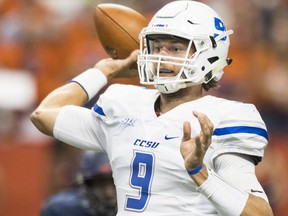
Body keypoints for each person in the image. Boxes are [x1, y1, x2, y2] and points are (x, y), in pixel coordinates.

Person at [31, 1, 273, 215]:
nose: (162, 56)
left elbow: (259, 213)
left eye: (175, 48)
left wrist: (200, 173)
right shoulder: (123, 103)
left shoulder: (225, 118)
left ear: (208, 55)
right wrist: (104, 71)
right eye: (157, 47)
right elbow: (44, 115)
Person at [40, 151, 117, 216]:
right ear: (85, 185)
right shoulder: (60, 209)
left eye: (115, 183)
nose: (109, 193)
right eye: (100, 184)